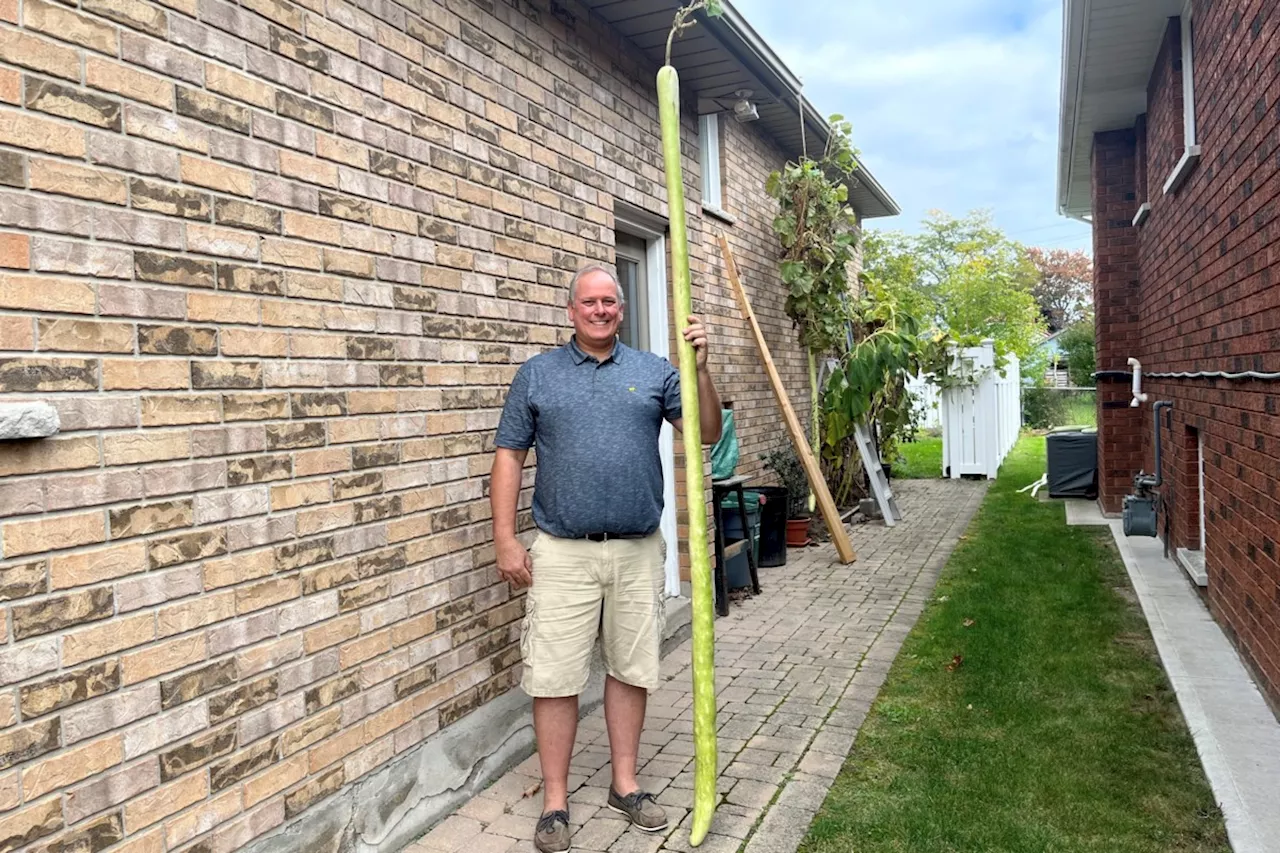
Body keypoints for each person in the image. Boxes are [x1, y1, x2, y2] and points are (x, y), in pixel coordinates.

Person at [490, 264, 723, 852]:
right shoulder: (538, 375)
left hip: (635, 550)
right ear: (571, 311)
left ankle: (625, 785)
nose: (600, 310)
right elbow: (509, 457)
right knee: (555, 677)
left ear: (621, 309)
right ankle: (555, 803)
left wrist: (700, 368)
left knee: (630, 669)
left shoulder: (655, 372)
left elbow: (705, 432)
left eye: (609, 302)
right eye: (588, 302)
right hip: (562, 552)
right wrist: (506, 538)